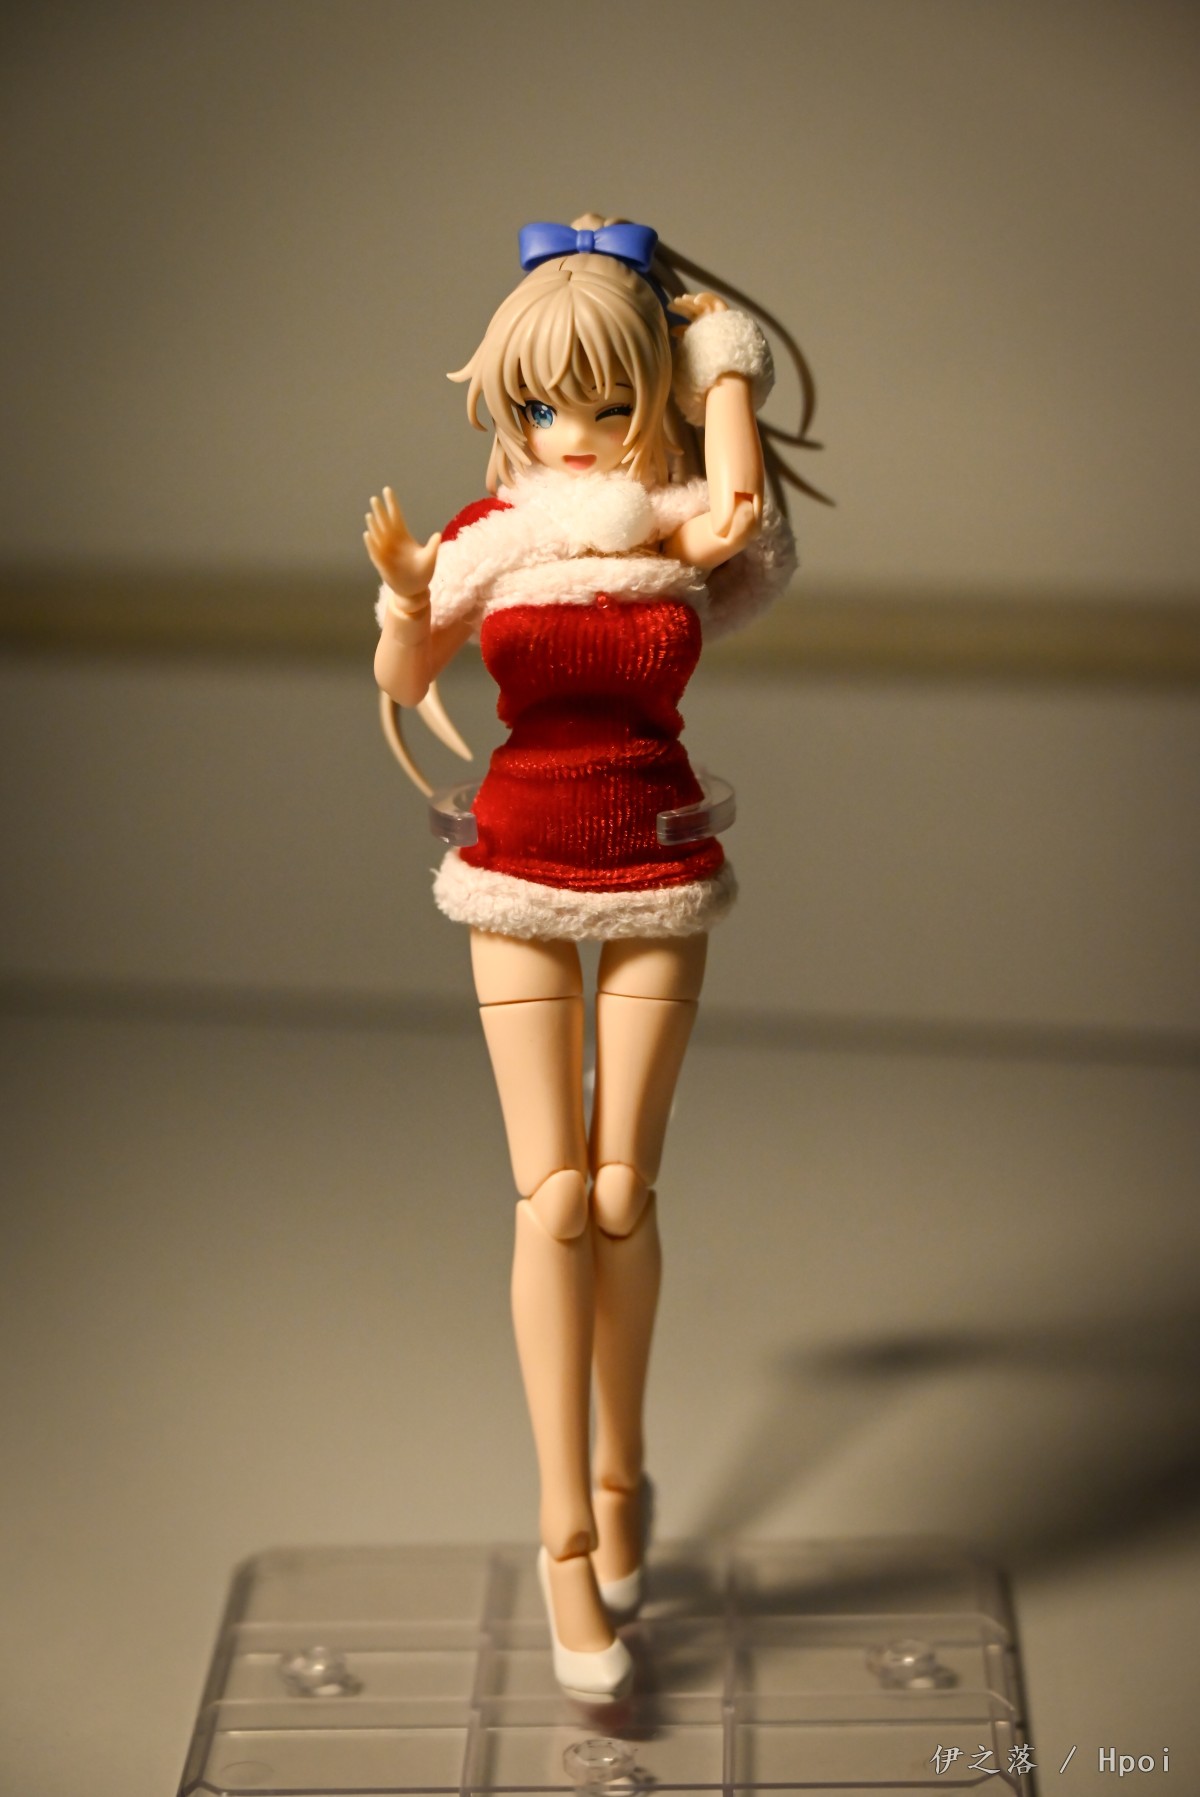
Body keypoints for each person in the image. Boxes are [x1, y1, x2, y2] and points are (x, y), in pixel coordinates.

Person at [365, 213, 821, 1702]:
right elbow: (406, 674)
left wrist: (723, 361)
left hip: (656, 862)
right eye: (542, 403)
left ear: (653, 399)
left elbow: (740, 511)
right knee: (552, 1197)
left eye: (609, 400)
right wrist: (403, 592)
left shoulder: (670, 524)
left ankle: (626, 1479)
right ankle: (565, 1539)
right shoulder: (494, 536)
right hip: (515, 869)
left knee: (624, 1192)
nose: (572, 430)